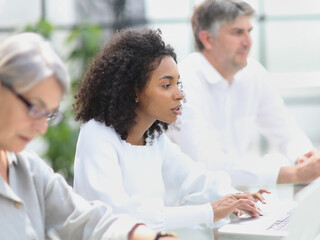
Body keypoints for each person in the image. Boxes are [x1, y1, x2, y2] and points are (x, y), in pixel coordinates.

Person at [73, 28, 269, 239]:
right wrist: (210, 211)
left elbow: (195, 178)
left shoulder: (153, 138)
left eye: (178, 83)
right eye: (166, 85)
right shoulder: (97, 135)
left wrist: (235, 197)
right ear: (134, 90)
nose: (180, 94)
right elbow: (119, 215)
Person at [0, 32, 178, 240]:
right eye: (34, 108)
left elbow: (86, 220)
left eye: (48, 114)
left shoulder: (29, 171)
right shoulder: (98, 134)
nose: (41, 128)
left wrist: (156, 238)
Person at [166, 0, 320, 186]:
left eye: (249, 31)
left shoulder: (253, 73)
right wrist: (294, 173)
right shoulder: (182, 83)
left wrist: (306, 156)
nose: (248, 42)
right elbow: (204, 163)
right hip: (188, 204)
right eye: (237, 32)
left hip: (235, 199)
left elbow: (285, 131)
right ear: (207, 39)